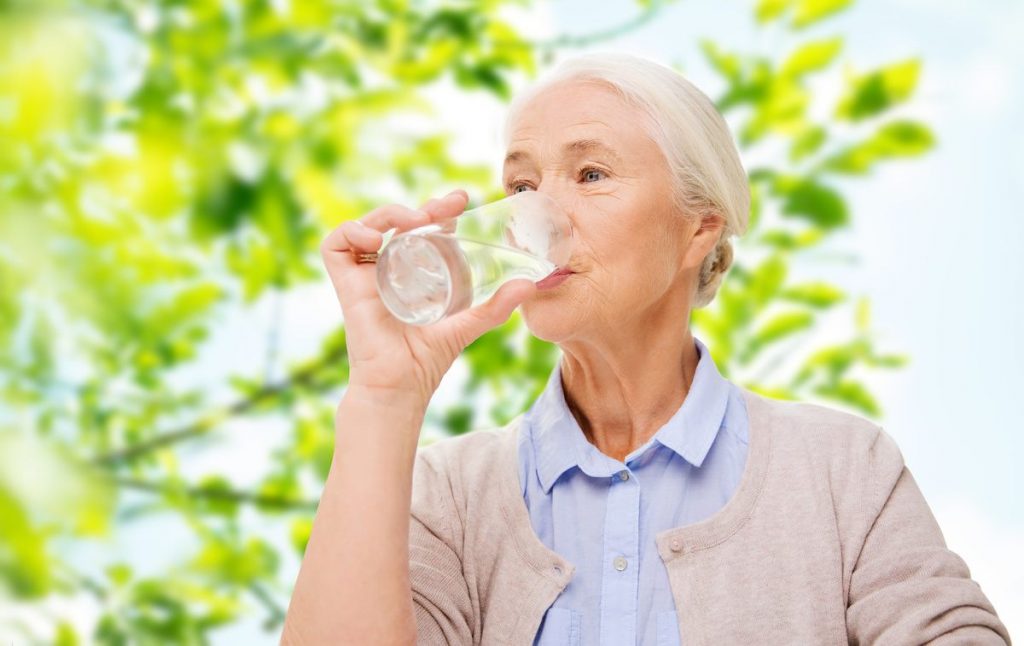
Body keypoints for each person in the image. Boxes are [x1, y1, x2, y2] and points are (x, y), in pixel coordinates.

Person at [281, 53, 1010, 645]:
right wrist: (383, 397)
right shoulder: (450, 494)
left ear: (698, 229)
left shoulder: (842, 468)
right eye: (522, 184)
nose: (535, 219)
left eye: (590, 174)